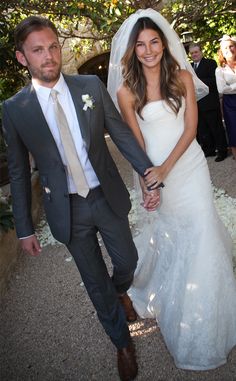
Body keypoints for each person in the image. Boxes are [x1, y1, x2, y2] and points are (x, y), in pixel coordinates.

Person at [2, 16, 160, 381]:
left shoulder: (89, 84)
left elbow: (119, 134)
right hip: (67, 209)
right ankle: (121, 341)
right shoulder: (15, 109)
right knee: (92, 279)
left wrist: (149, 174)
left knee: (127, 261)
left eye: (53, 46)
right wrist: (24, 228)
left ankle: (119, 292)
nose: (49, 56)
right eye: (38, 50)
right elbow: (18, 170)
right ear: (22, 57)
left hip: (105, 195)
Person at [108, 8, 236, 371]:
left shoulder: (182, 76)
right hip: (155, 173)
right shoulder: (125, 91)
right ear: (132, 50)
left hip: (189, 168)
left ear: (164, 44)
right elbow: (134, 146)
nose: (148, 51)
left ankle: (211, 321)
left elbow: (191, 130)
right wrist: (151, 180)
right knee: (175, 239)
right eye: (141, 45)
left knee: (204, 234)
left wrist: (166, 169)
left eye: (154, 43)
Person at [189, 42, 228, 161]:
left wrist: (195, 81)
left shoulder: (210, 63)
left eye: (196, 52)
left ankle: (222, 151)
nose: (194, 55)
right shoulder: (189, 67)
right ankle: (209, 150)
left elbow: (213, 81)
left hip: (210, 102)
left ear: (201, 52)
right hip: (196, 104)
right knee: (202, 129)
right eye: (192, 53)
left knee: (216, 128)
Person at [215, 35, 236, 160]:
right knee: (233, 128)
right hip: (230, 103)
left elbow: (227, 87)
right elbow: (221, 89)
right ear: (221, 51)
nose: (229, 49)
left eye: (231, 46)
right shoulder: (220, 70)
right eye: (225, 48)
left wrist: (231, 86)